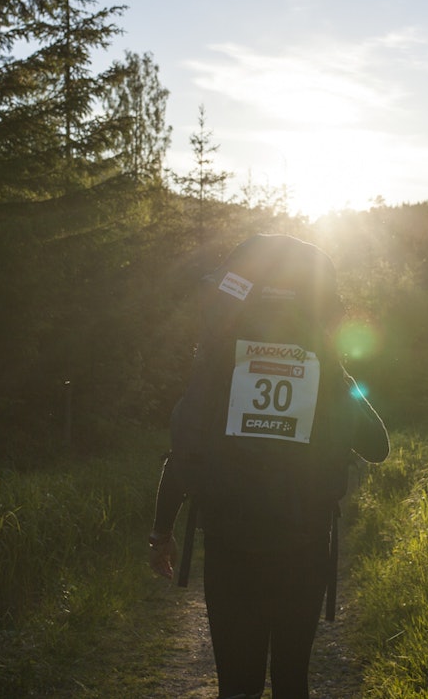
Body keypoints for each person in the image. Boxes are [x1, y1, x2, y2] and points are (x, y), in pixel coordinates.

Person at [148, 234, 389, 699]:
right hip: (304, 546)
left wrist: (161, 534)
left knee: (237, 686)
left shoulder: (219, 367)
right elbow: (377, 445)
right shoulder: (325, 376)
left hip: (229, 542)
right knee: (291, 681)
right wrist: (338, 376)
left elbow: (185, 451)